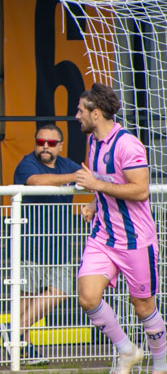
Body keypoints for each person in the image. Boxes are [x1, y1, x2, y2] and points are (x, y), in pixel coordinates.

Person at [74, 82, 167, 374]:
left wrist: (95, 186)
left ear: (96, 113)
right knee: (87, 296)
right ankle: (127, 350)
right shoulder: (93, 142)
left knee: (143, 307)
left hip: (135, 239)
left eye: (80, 110)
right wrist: (93, 201)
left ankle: (162, 364)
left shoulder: (127, 144)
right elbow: (103, 180)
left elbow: (140, 191)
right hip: (103, 235)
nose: (76, 115)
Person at [3, 123, 80, 365]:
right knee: (26, 296)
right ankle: (22, 350)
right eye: (41, 142)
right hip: (31, 244)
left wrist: (92, 204)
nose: (45, 147)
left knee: (61, 291)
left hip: (60, 247)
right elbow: (36, 181)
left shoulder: (68, 165)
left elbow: (95, 182)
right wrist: (73, 179)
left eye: (51, 143)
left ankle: (14, 331)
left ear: (61, 146)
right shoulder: (27, 163)